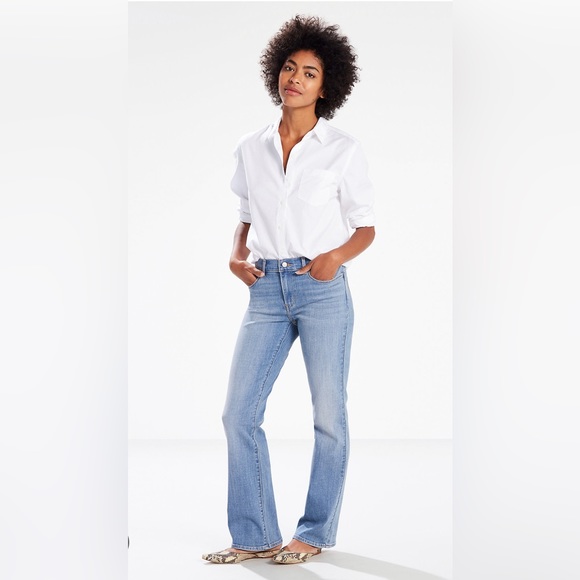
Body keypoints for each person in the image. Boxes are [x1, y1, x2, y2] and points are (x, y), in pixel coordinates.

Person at [202, 14, 375, 565]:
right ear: (275, 73)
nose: (295, 78)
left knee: (329, 417)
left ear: (327, 86)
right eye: (289, 68)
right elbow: (246, 215)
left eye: (309, 72)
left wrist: (333, 259)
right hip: (266, 289)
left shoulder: (342, 148)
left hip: (321, 288)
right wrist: (236, 255)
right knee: (238, 413)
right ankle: (255, 535)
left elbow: (366, 227)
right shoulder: (250, 147)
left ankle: (314, 532)